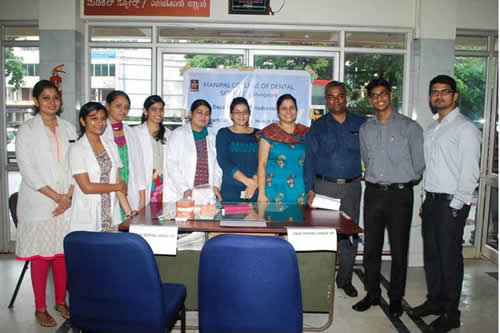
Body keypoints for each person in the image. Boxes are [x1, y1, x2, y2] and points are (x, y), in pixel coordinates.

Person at [409, 75, 481, 332]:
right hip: (432, 201)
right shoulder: (433, 127)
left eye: (444, 91)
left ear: (455, 95)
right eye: (434, 92)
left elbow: (471, 171)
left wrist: (457, 205)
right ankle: (435, 302)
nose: (439, 96)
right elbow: (430, 168)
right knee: (432, 256)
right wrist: (423, 198)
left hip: (451, 204)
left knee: (449, 259)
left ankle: (451, 313)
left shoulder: (466, 128)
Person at [354, 78, 425, 318]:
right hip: (373, 193)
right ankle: (372, 293)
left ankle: (395, 299)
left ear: (390, 95)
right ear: (370, 99)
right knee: (371, 248)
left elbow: (419, 165)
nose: (379, 98)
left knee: (399, 249)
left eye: (383, 93)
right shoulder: (366, 128)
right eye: (374, 95)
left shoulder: (410, 127)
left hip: (400, 195)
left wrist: (402, 180)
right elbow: (366, 158)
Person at [15, 80, 76, 327]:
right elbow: (28, 170)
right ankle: (40, 307)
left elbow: (76, 164)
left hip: (66, 203)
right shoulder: (27, 130)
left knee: (62, 255)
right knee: (41, 257)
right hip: (39, 203)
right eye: (46, 98)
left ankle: (61, 301)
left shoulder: (69, 128)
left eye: (55, 97)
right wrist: (57, 197)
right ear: (36, 101)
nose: (51, 102)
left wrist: (69, 196)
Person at [304, 80, 366, 298]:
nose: (336, 100)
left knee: (349, 235)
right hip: (324, 187)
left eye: (340, 95)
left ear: (346, 97)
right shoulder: (318, 126)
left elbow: (371, 152)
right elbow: (309, 159)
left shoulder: (361, 123)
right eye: (331, 96)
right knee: (323, 236)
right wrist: (309, 189)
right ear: (326, 100)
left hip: (351, 188)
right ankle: (321, 280)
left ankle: (345, 279)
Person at [68, 102, 136, 232]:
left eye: (103, 119)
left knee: (111, 251)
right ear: (83, 121)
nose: (100, 122)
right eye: (94, 118)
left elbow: (118, 184)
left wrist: (129, 213)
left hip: (110, 215)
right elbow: (87, 187)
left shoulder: (111, 145)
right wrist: (117, 187)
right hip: (87, 215)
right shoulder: (77, 149)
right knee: (89, 252)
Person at [164, 99, 222, 202]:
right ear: (191, 114)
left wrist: (216, 185)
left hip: (207, 193)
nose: (203, 117)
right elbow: (171, 164)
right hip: (184, 192)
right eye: (199, 112)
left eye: (207, 113)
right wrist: (184, 189)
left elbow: (218, 165)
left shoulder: (213, 137)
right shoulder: (178, 134)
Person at [257, 94, 309, 204]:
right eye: (284, 108)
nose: (288, 111)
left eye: (292, 108)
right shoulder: (268, 133)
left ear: (296, 110)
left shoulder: (306, 133)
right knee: (275, 221)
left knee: (300, 220)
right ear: (278, 111)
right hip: (273, 190)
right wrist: (261, 193)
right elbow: (262, 164)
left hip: (300, 190)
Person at [102, 91, 146, 219]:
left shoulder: (131, 132)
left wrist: (142, 199)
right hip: (109, 189)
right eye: (118, 106)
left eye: (126, 107)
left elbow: (139, 167)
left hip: (130, 190)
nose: (123, 110)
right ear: (107, 106)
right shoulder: (100, 131)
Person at [216, 97, 259, 202]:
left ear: (249, 114)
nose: (241, 115)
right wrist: (247, 181)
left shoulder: (259, 134)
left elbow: (264, 161)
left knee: (255, 218)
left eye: (245, 112)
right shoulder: (223, 133)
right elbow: (223, 160)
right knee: (233, 218)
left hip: (255, 189)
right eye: (237, 112)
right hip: (231, 190)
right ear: (231, 115)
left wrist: (254, 181)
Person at [133, 95, 171, 205]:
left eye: (161, 110)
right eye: (154, 109)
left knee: (161, 218)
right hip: (144, 183)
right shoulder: (135, 133)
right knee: (143, 217)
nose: (158, 113)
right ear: (145, 111)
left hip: (164, 183)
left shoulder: (170, 134)